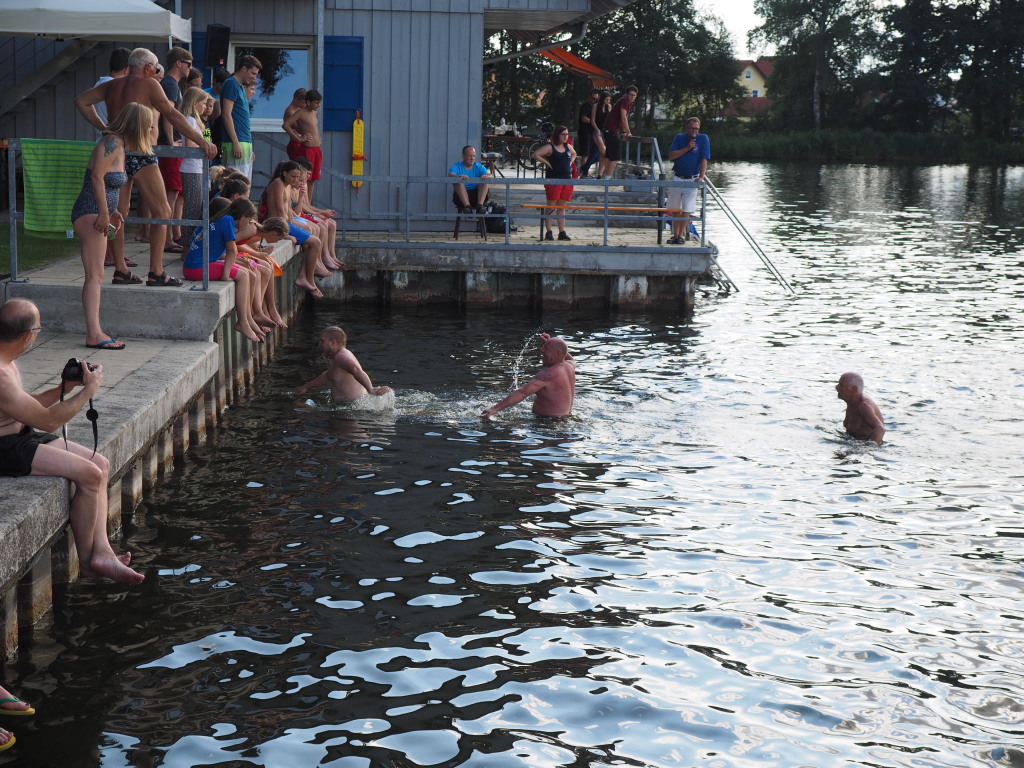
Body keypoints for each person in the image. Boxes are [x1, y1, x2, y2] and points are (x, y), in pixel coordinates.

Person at [0, 300, 145, 585]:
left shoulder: (8, 361)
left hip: (19, 435)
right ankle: (89, 562)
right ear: (28, 335)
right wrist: (88, 390)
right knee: (90, 475)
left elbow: (26, 407)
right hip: (5, 448)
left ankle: (102, 552)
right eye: (39, 329)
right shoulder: (2, 377)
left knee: (99, 463)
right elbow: (49, 422)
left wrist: (63, 389)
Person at [74, 47, 217, 287]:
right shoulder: (150, 84)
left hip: (119, 151)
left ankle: (120, 269)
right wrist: (201, 140)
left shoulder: (112, 85)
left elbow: (81, 101)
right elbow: (173, 114)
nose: (158, 71)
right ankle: (156, 272)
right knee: (162, 211)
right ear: (148, 68)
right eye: (157, 67)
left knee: (120, 213)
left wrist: (104, 128)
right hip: (141, 151)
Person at [71, 103, 157, 349]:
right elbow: (96, 177)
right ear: (137, 124)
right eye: (148, 125)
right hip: (90, 212)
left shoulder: (120, 145)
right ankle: (94, 334)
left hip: (99, 212)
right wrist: (103, 213)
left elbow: (108, 183)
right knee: (94, 275)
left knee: (96, 274)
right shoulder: (112, 143)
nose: (150, 129)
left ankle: (96, 331)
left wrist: (114, 211)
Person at [181, 197, 268, 343]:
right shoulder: (227, 220)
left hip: (197, 264)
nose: (248, 224)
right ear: (242, 216)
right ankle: (243, 322)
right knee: (243, 275)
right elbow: (232, 250)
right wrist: (226, 275)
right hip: (196, 267)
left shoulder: (222, 219)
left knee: (250, 274)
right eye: (248, 220)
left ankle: (249, 319)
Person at [262, 160, 325, 297]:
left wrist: (294, 223)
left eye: (297, 177)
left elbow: (289, 212)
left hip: (285, 223)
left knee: (312, 236)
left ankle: (304, 276)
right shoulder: (278, 183)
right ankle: (308, 279)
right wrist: (284, 234)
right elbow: (280, 211)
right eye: (293, 176)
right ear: (285, 173)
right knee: (315, 242)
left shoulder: (287, 185)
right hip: (276, 224)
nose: (296, 180)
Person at [481, 333, 576, 418]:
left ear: (558, 353)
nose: (541, 350)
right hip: (564, 420)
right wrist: (550, 344)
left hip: (546, 423)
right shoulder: (570, 366)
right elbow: (568, 357)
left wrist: (494, 409)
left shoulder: (548, 374)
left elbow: (522, 393)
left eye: (546, 348)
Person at [294, 326, 393, 404]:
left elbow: (356, 370)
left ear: (333, 342)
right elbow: (328, 376)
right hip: (347, 407)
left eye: (322, 341)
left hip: (353, 410)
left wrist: (371, 390)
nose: (319, 344)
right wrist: (306, 387)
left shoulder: (342, 356)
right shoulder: (337, 358)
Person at [158, 46, 194, 254]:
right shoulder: (170, 85)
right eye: (188, 64)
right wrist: (171, 141)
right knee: (170, 195)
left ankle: (173, 236)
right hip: (172, 149)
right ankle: (167, 239)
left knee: (177, 194)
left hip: (176, 149)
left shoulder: (172, 85)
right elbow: (168, 114)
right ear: (179, 63)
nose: (190, 68)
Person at [666, 116, 710, 245]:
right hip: (678, 177)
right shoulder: (679, 138)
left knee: (687, 209)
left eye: (696, 128)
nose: (693, 131)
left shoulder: (703, 139)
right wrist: (687, 148)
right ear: (686, 128)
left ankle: (680, 235)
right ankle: (675, 235)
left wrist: (701, 176)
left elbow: (704, 158)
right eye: (691, 128)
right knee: (675, 209)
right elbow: (671, 156)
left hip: (692, 179)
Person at [220, 54, 262, 181]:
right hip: (235, 142)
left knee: (245, 186)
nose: (254, 77)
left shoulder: (240, 87)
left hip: (244, 142)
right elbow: (226, 114)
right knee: (235, 185)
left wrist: (249, 145)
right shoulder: (231, 83)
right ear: (244, 68)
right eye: (253, 73)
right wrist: (235, 142)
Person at [532, 125, 576, 241]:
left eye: (567, 134)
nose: (565, 137)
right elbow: (535, 154)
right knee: (551, 206)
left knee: (561, 207)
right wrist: (547, 163)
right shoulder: (550, 147)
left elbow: (574, 153)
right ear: (557, 135)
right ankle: (549, 231)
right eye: (563, 134)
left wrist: (570, 162)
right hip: (553, 180)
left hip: (566, 180)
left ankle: (562, 232)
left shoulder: (568, 146)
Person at [283, 89, 325, 202]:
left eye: (319, 102)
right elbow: (286, 125)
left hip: (317, 149)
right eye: (316, 103)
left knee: (313, 178)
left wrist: (317, 138)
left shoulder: (314, 112)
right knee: (305, 178)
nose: (318, 105)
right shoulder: (300, 112)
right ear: (308, 102)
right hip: (307, 149)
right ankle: (301, 203)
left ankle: (308, 203)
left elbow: (312, 128)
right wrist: (299, 138)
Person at [600, 85, 638, 180]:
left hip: (609, 129)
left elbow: (622, 118)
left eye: (634, 95)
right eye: (631, 95)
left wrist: (623, 131)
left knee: (609, 155)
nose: (632, 97)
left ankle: (607, 178)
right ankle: (608, 178)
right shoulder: (624, 101)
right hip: (611, 130)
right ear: (626, 94)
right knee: (615, 157)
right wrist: (628, 132)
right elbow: (623, 117)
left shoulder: (626, 103)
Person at [836, 372, 885, 444]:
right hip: (852, 440)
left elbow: (880, 429)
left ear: (854, 389)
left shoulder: (863, 406)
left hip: (861, 445)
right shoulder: (852, 402)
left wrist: (870, 448)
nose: (836, 387)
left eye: (841, 385)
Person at [448, 146, 491, 214]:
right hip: (460, 198)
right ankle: (467, 207)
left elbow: (490, 175)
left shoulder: (478, 166)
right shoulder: (457, 166)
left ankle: (480, 207)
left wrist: (486, 176)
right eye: (470, 156)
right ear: (463, 156)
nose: (472, 158)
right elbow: (450, 175)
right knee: (458, 181)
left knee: (485, 181)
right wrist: (458, 177)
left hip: (477, 197)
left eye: (474, 156)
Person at [576, 89, 600, 177]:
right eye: (593, 98)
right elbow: (584, 118)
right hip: (585, 133)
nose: (595, 100)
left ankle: (582, 169)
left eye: (597, 99)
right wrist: (594, 122)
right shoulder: (586, 106)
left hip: (593, 133)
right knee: (585, 153)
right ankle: (584, 172)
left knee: (596, 154)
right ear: (589, 97)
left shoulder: (596, 107)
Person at [283, 87, 308, 159]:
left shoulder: (298, 110)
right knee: (298, 165)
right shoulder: (290, 111)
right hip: (295, 144)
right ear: (296, 100)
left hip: (300, 143)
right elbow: (300, 129)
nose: (304, 105)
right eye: (303, 102)